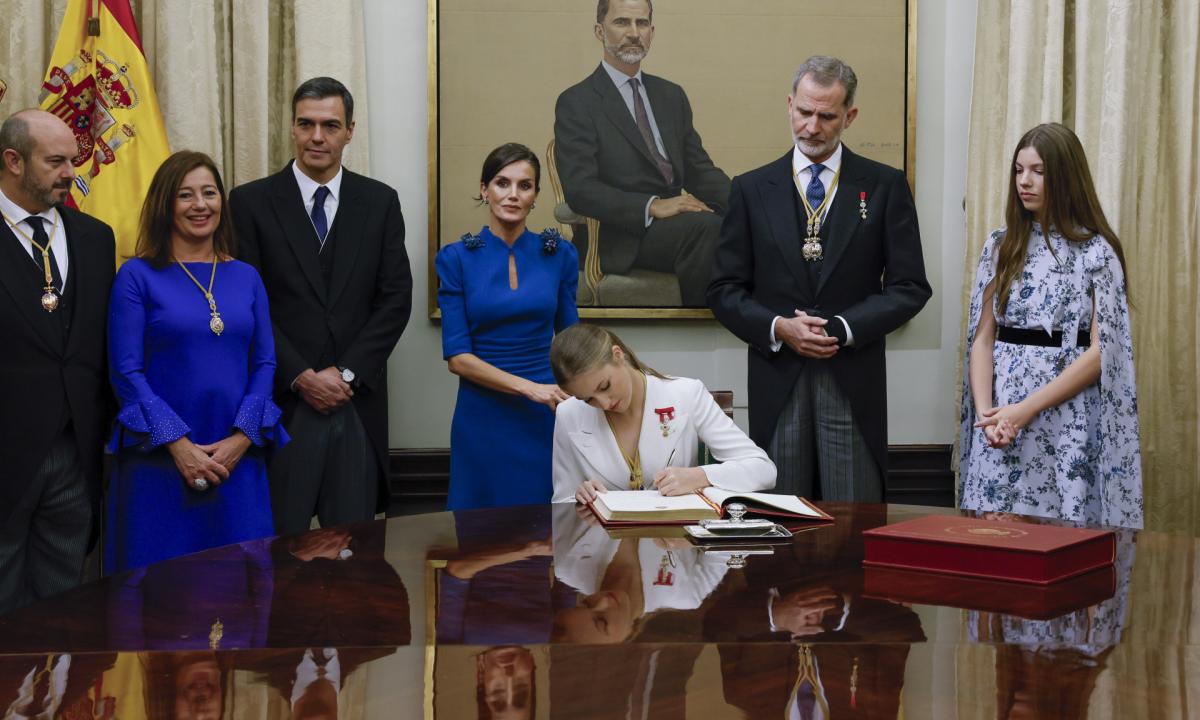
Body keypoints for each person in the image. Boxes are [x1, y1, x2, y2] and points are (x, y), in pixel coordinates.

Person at [707, 55, 931, 502]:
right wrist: (778, 328)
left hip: (851, 376)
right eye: (804, 112)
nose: (811, 126)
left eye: (826, 116)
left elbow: (910, 287)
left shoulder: (884, 185)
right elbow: (723, 289)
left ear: (849, 116)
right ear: (790, 104)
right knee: (781, 517)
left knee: (853, 520)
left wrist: (844, 328)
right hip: (778, 375)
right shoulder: (750, 189)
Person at [231, 77, 413, 534]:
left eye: (330, 125)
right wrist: (300, 376)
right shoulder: (250, 203)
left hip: (356, 404)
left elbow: (395, 300)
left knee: (354, 559)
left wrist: (346, 374)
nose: (317, 136)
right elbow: (247, 305)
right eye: (306, 124)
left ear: (350, 130)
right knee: (278, 554)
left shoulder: (380, 202)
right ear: (291, 128)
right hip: (282, 402)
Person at [106, 150, 285, 572]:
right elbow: (126, 371)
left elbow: (265, 364)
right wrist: (179, 445)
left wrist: (241, 440)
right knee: (159, 596)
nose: (200, 205)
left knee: (241, 593)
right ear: (166, 205)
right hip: (159, 461)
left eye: (209, 192)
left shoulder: (247, 276)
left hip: (237, 462)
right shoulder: (136, 276)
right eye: (185, 195)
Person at [960, 122, 1142, 528]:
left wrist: (1022, 413)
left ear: (1064, 176)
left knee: (1059, 546)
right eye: (1019, 170)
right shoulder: (1000, 244)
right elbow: (983, 340)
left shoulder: (1097, 251)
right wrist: (990, 415)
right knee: (996, 540)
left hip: (1066, 418)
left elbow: (1102, 353)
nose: (1025, 181)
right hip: (1000, 418)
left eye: (1038, 171)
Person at [0, 109, 115, 614]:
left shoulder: (95, 237)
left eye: (74, 159)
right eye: (56, 161)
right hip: (5, 452)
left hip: (75, 454)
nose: (71, 172)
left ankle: (56, 696)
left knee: (64, 609)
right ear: (13, 161)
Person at [553, 0, 730, 306]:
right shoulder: (577, 102)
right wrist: (651, 206)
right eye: (621, 22)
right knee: (707, 230)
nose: (634, 33)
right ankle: (700, 338)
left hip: (678, 224)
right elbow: (581, 189)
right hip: (620, 234)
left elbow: (700, 171)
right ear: (599, 30)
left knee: (749, 224)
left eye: (642, 23)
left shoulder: (671, 96)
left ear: (652, 30)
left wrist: (751, 207)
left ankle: (780, 326)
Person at [436, 143, 579, 509]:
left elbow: (572, 342)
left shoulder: (559, 254)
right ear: (485, 190)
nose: (513, 195)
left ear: (535, 196)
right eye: (502, 183)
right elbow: (457, 358)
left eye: (524, 186)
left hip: (545, 417)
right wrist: (531, 389)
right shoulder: (455, 258)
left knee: (541, 535)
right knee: (477, 539)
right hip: (481, 417)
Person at [549, 324, 776, 504]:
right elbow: (563, 503)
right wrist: (580, 497)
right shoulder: (569, 414)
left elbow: (763, 470)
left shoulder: (686, 393)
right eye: (588, 399)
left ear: (618, 355)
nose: (604, 403)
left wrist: (700, 477)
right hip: (608, 554)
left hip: (677, 548)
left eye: (605, 386)